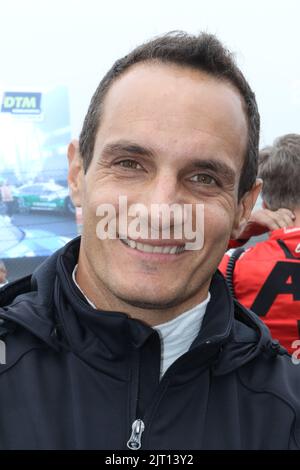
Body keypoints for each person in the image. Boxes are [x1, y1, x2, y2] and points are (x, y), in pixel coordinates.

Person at [0, 31, 300, 451]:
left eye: (203, 178)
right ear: (76, 176)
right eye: (128, 164)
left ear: (242, 208)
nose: (160, 211)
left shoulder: (288, 410)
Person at [219, 135, 300, 354]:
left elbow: (174, 273)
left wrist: (235, 233)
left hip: (266, 384)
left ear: (265, 204)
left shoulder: (231, 265)